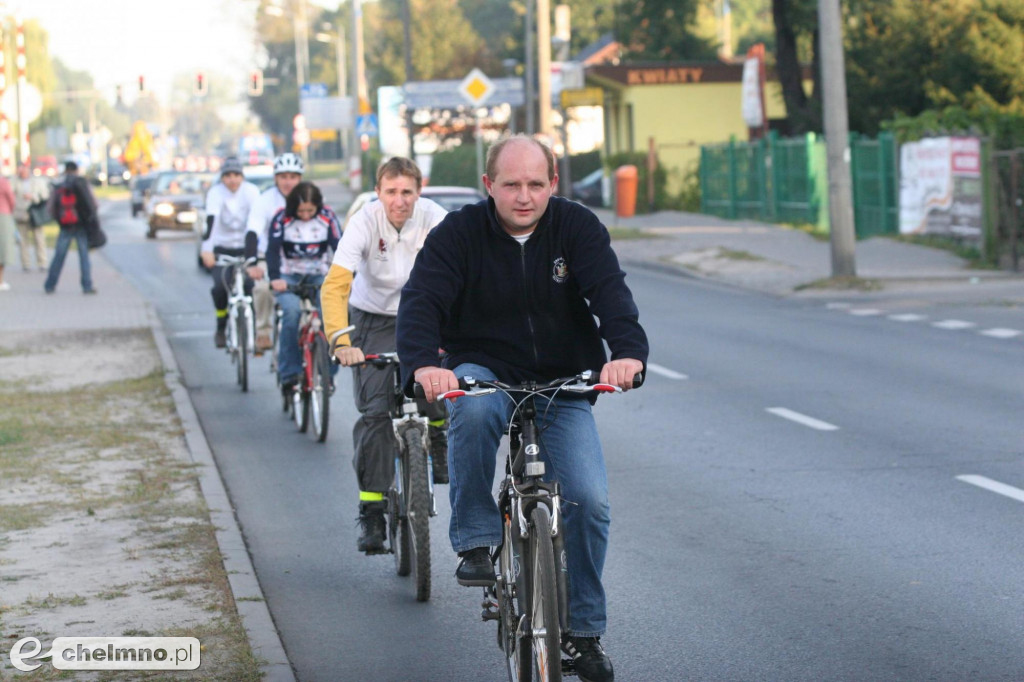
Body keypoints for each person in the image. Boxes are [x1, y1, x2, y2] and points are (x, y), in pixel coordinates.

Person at [396, 135, 648, 682]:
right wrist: (422, 365)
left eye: (536, 183)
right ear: (489, 186)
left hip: (564, 380)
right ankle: (477, 541)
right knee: (476, 409)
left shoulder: (576, 227)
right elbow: (422, 301)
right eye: (511, 184)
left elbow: (610, 293)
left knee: (588, 498)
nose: (524, 195)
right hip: (484, 367)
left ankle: (583, 634)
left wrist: (626, 354)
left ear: (554, 183)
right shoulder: (459, 234)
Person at [321, 157, 449, 555]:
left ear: (419, 190)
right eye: (391, 192)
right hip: (372, 317)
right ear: (378, 193)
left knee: (440, 382)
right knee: (375, 414)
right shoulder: (364, 221)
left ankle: (439, 433)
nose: (399, 200)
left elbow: (466, 274)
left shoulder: (436, 219)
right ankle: (372, 510)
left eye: (407, 192)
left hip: (425, 311)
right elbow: (336, 285)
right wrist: (342, 343)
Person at [265, 181, 341, 392]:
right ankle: (289, 373)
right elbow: (272, 251)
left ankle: (328, 374)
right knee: (291, 313)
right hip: (288, 276)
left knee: (331, 317)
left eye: (310, 210)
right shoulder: (281, 218)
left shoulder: (328, 217)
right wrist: (274, 278)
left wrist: (347, 276)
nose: (306, 215)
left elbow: (340, 247)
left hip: (319, 275)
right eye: (301, 211)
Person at [244, 152, 304, 355]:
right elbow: (253, 231)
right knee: (262, 288)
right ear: (276, 178)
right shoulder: (265, 200)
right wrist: (252, 262)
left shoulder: (309, 198)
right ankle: (263, 331)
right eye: (283, 177)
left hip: (300, 259)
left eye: (293, 177)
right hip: (267, 257)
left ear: (300, 178)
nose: (288, 182)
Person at [200, 157, 260, 347]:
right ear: (222, 178)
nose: (232, 180)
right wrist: (207, 250)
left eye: (236, 175)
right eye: (228, 176)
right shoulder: (216, 193)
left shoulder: (251, 192)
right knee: (219, 288)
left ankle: (255, 332)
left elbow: (257, 223)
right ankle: (221, 325)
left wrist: (258, 253)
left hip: (246, 247)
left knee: (252, 287)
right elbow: (211, 222)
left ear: (242, 176)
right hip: (222, 249)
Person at [44, 161, 98, 295]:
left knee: (59, 256)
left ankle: (50, 285)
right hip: (81, 225)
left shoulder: (59, 185)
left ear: (65, 170)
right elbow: (94, 204)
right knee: (84, 257)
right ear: (76, 170)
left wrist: (59, 220)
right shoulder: (81, 183)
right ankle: (87, 285)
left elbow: (51, 208)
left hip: (65, 226)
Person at [14, 163, 50, 272]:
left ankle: (42, 262)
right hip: (21, 213)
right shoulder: (15, 182)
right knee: (23, 241)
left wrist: (33, 197)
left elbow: (45, 196)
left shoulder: (38, 182)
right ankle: (26, 264)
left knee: (39, 239)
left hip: (35, 213)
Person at [0, 174, 15, 291]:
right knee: (2, 249)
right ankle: (0, 281)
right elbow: (11, 199)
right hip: (3, 216)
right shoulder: (3, 181)